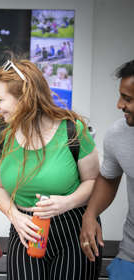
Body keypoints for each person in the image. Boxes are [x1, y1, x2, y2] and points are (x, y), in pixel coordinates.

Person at [0, 59, 101, 279]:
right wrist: (15, 217)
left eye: (0, 99)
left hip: (73, 230)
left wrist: (67, 202)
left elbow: (94, 182)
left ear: (25, 99)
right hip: (25, 229)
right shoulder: (0, 132)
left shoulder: (72, 130)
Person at [80, 59, 134, 279]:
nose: (119, 105)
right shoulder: (117, 135)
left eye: (128, 99)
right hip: (130, 255)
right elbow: (109, 179)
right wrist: (90, 214)